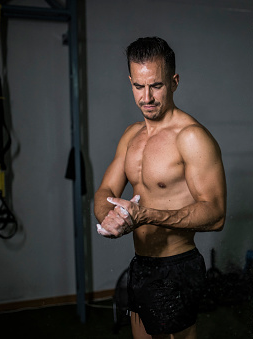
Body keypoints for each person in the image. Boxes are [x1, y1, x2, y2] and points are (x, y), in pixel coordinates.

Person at [94, 37, 226, 339]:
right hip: (141, 265)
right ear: (130, 82)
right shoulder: (131, 136)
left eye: (156, 85)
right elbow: (104, 193)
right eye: (138, 87)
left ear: (174, 81)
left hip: (176, 268)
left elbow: (216, 214)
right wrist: (108, 218)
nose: (147, 97)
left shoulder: (191, 137)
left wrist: (146, 215)